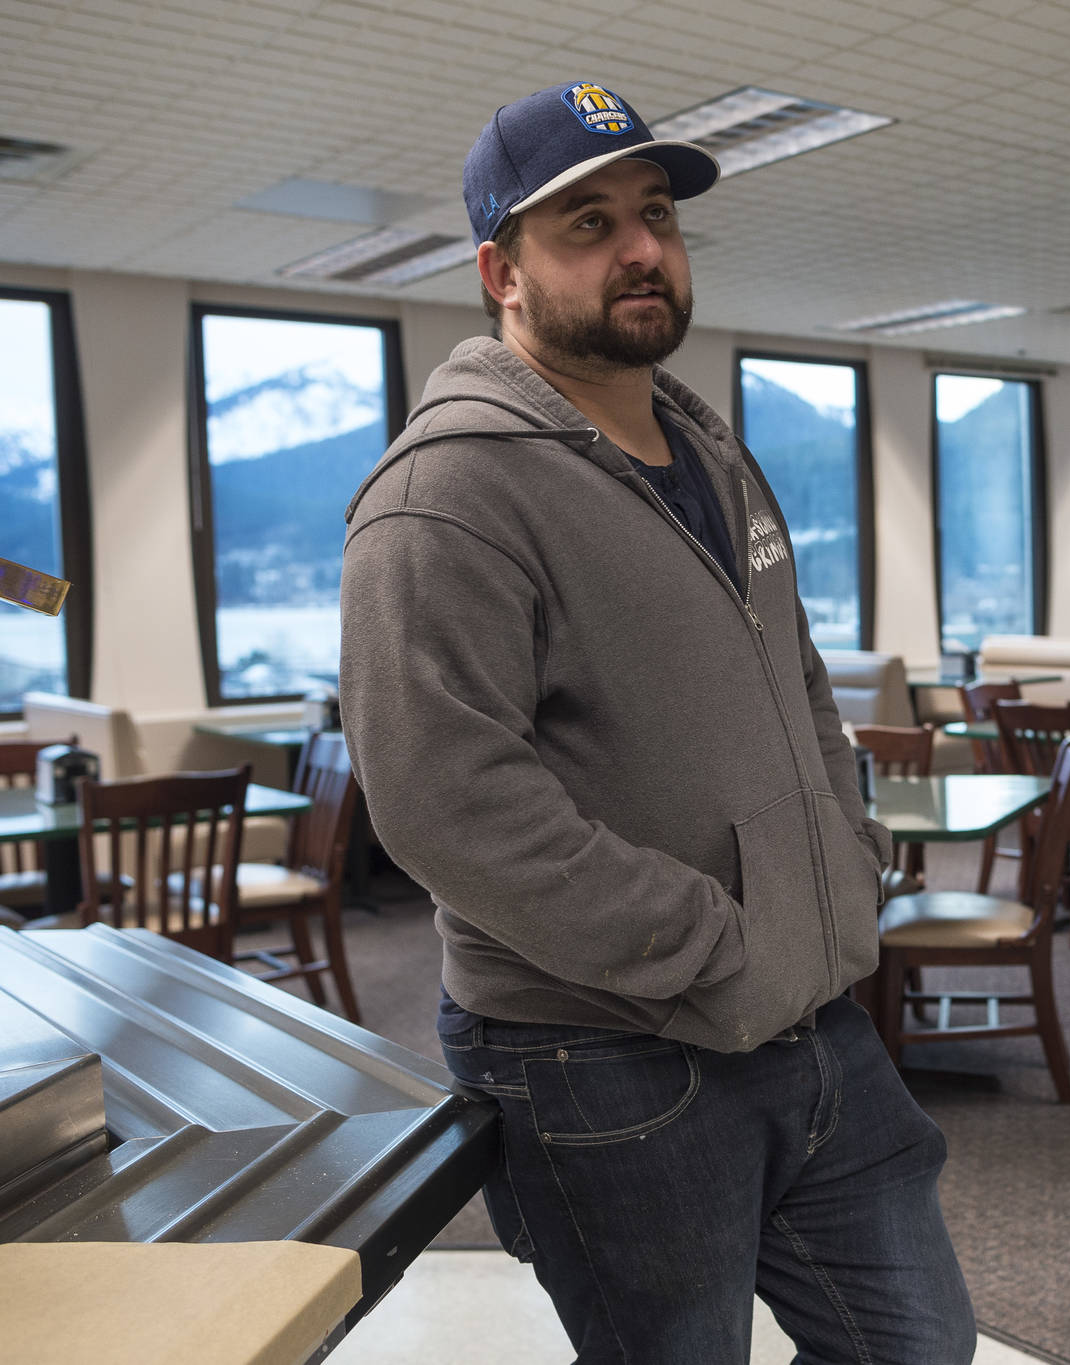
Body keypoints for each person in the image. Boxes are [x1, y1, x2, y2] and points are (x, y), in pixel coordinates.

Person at [339, 81, 975, 1364]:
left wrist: (842, 868)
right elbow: (443, 798)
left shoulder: (711, 455)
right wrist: (701, 937)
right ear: (498, 274)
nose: (640, 248)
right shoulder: (444, 494)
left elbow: (796, 681)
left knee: (913, 1342)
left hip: (807, 1017)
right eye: (584, 225)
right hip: (605, 1051)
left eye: (655, 216)